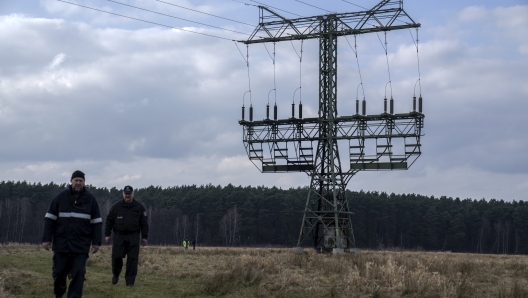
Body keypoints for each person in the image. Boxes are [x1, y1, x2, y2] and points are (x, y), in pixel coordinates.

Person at [42, 170, 102, 298]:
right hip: (61, 244)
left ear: (84, 182)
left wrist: (96, 242)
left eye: (81, 181)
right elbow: (49, 219)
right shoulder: (60, 197)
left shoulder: (90, 200)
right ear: (71, 181)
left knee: (78, 273)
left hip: (81, 245)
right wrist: (46, 239)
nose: (78, 183)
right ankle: (59, 293)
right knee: (59, 273)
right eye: (76, 180)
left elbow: (96, 222)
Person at [105, 185, 149, 287]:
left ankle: (130, 281)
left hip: (133, 236)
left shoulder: (139, 207)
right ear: (123, 194)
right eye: (126, 194)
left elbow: (144, 223)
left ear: (133, 194)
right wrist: (107, 234)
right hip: (119, 236)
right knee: (116, 257)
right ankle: (116, 274)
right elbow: (109, 221)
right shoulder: (116, 207)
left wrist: (144, 237)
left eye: (129, 194)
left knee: (132, 260)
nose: (127, 196)